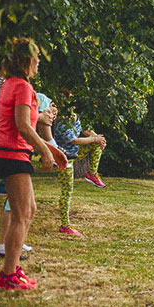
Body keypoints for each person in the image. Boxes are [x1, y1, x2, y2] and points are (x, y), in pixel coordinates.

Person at [0, 38, 67, 290]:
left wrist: (52, 149)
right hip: (11, 156)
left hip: (11, 153)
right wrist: (45, 150)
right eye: (37, 57)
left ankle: (11, 271)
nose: (40, 61)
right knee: (21, 215)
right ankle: (8, 275)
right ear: (26, 60)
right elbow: (22, 126)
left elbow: (22, 125)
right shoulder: (21, 86)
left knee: (27, 211)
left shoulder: (11, 84)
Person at [51, 98, 107, 238]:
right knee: (67, 191)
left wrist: (98, 138)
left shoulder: (74, 115)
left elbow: (85, 130)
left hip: (74, 152)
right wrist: (95, 139)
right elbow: (74, 140)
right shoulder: (61, 121)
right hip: (63, 157)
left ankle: (92, 173)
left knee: (95, 144)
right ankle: (65, 225)